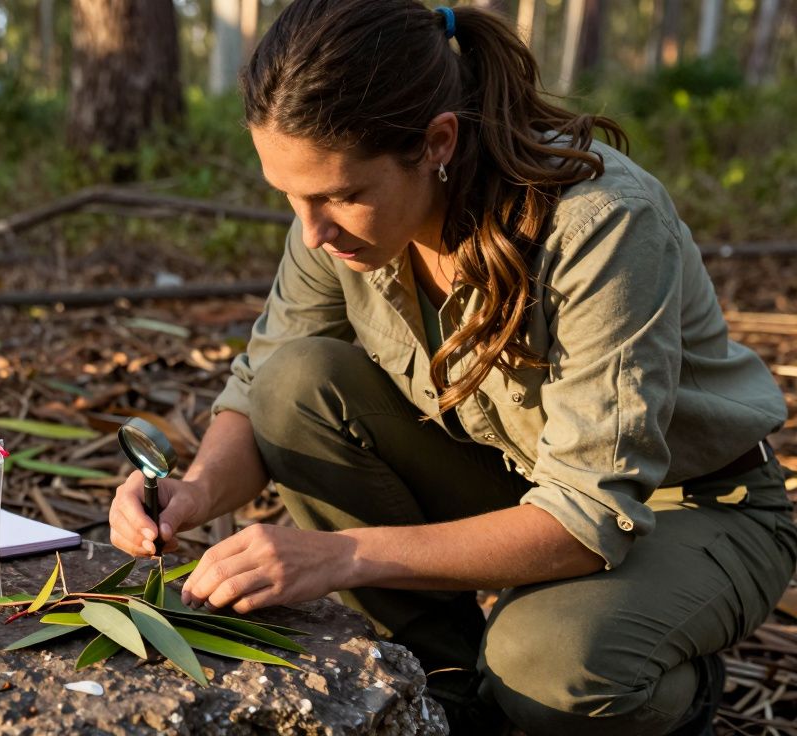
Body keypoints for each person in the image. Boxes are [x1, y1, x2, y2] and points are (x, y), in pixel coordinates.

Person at [107, 2, 796, 734]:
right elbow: (260, 389)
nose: (311, 232)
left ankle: (663, 684)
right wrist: (194, 492)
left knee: (550, 666)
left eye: (341, 195)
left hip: (690, 508)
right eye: (290, 197)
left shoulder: (599, 225)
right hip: (520, 480)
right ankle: (449, 691)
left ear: (437, 141)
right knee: (296, 387)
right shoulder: (334, 232)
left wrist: (344, 556)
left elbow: (592, 514)